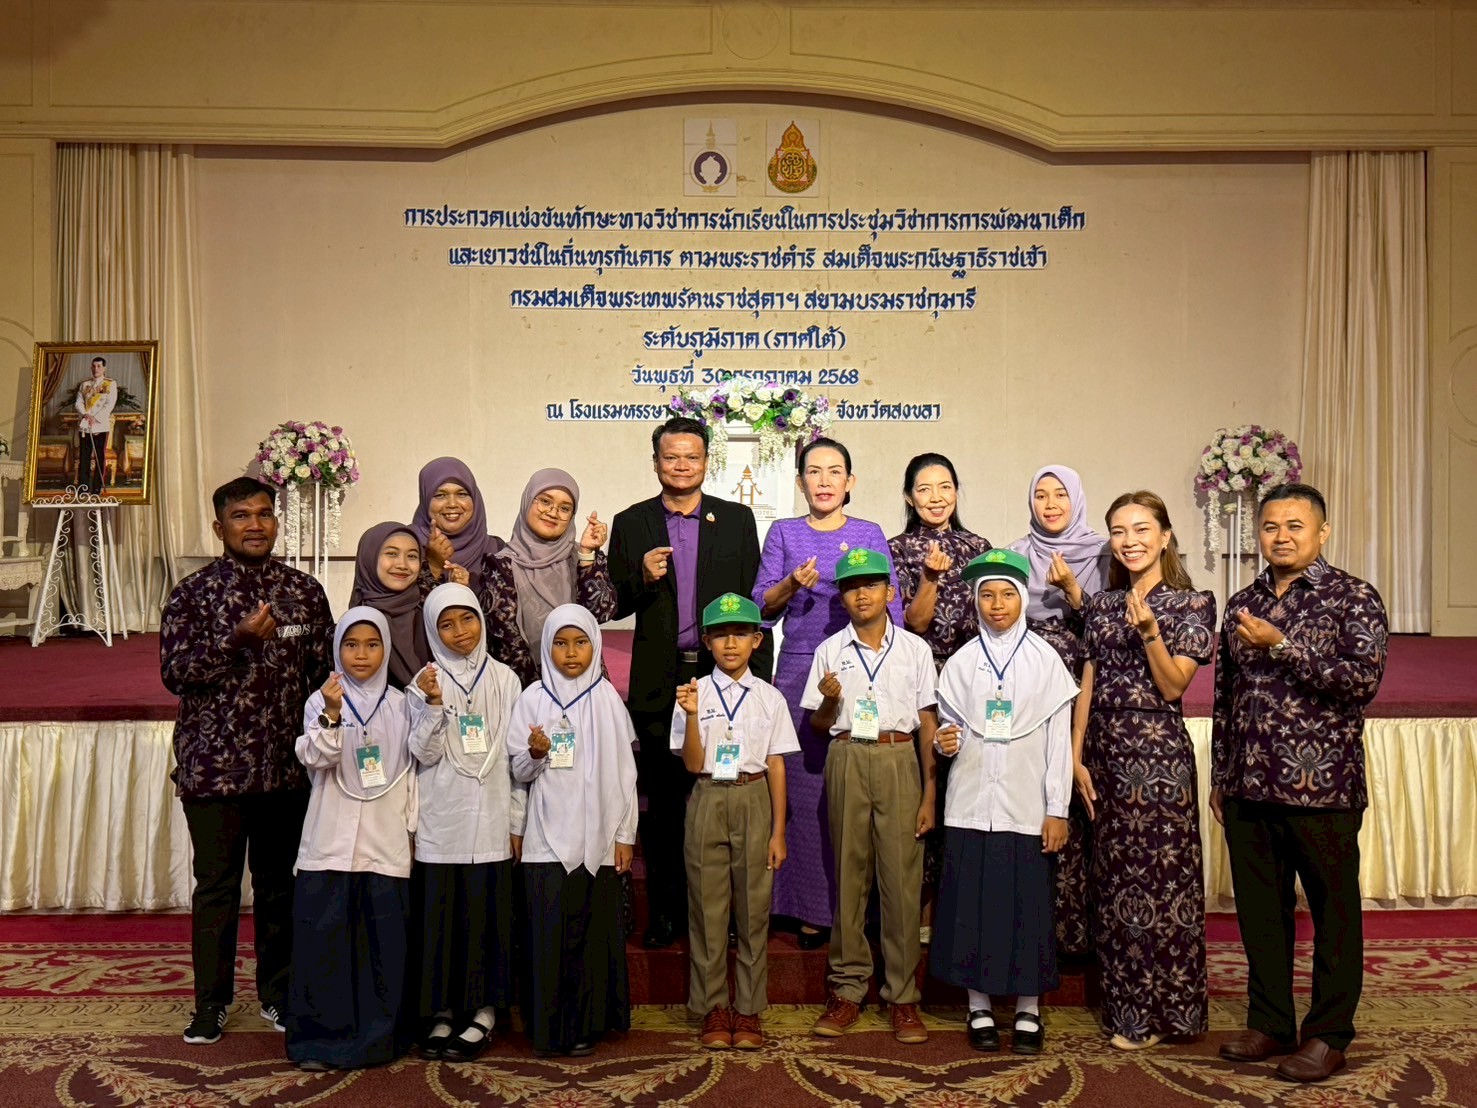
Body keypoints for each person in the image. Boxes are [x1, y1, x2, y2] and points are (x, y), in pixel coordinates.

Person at [1211, 483, 1388, 1084]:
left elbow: (1361, 682)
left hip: (1324, 790)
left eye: (1294, 526)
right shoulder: (1242, 603)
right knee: (1262, 914)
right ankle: (1271, 1023)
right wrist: (1222, 773)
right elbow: (1226, 697)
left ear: (1322, 532)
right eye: (1270, 526)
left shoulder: (1353, 597)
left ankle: (1329, 1035)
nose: (1281, 536)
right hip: (1248, 787)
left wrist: (1282, 645)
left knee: (1335, 916)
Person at [160, 476, 334, 1045]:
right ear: (220, 527)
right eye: (241, 516)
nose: (254, 525)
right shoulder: (193, 593)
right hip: (214, 771)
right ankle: (210, 1005)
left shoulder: (304, 592)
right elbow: (176, 674)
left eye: (263, 514)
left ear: (275, 522)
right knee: (216, 890)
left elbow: (321, 677)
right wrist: (235, 642)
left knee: (280, 889)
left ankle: (278, 995)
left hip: (285, 771)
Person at [607, 417, 767, 949]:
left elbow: (752, 603)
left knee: (721, 798)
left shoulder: (737, 519)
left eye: (691, 457)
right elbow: (614, 603)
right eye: (671, 457)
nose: (681, 466)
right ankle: (667, 914)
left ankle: (723, 916)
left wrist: (755, 678)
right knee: (665, 806)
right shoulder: (631, 522)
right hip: (659, 679)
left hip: (720, 673)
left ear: (706, 462)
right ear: (655, 462)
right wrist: (641, 576)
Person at [1073, 491, 1216, 1050]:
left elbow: (1174, 686)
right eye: (1118, 531)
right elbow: (1088, 682)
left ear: (1164, 536)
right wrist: (1076, 755)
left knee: (1163, 882)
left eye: (1140, 529)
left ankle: (1171, 1013)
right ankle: (1127, 1011)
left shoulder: (1192, 603)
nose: (1129, 541)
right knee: (1116, 885)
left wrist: (1152, 632)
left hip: (1158, 760)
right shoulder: (1103, 605)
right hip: (1105, 754)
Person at [755, 436, 904, 949]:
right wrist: (792, 584)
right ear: (800, 483)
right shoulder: (784, 531)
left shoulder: (869, 533)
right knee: (802, 790)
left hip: (861, 666)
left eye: (834, 471)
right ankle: (806, 908)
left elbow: (893, 608)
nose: (824, 481)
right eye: (814, 472)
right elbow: (761, 606)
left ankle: (854, 907)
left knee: (854, 789)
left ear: (850, 481)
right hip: (799, 668)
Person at [930, 550, 1079, 1055]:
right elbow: (947, 731)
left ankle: (1028, 1010)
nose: (997, 604)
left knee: (1026, 911)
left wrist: (1057, 809)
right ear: (975, 600)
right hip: (970, 804)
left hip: (1025, 808)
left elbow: (1059, 742)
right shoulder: (961, 663)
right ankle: (977, 1006)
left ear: (1023, 599)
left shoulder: (1046, 660)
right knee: (970, 909)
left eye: (1008, 594)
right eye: (988, 595)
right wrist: (942, 743)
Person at [801, 547, 937, 1044]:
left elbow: (927, 722)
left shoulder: (915, 650)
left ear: (890, 592)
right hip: (848, 757)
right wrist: (830, 700)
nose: (862, 594)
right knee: (849, 876)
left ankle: (902, 996)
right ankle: (847, 989)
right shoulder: (830, 650)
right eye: (852, 587)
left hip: (899, 757)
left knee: (901, 881)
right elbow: (819, 724)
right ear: (842, 597)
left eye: (872, 584)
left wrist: (930, 792)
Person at [285, 609, 421, 1071]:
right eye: (351, 645)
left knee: (381, 947)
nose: (361, 655)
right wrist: (332, 714)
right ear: (337, 648)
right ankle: (318, 1042)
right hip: (330, 843)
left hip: (384, 844)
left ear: (386, 649)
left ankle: (378, 1041)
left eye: (372, 644)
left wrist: (412, 830)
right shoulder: (321, 700)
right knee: (324, 946)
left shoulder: (403, 704)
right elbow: (317, 759)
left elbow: (418, 766)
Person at [508, 605, 639, 1057]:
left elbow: (625, 774)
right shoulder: (532, 698)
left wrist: (625, 835)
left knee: (590, 935)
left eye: (580, 643)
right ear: (547, 646)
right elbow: (518, 773)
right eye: (560, 643)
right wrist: (535, 753)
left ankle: (587, 1023)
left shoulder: (606, 699)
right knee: (548, 935)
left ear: (594, 645)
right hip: (545, 840)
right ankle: (548, 1027)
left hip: (597, 838)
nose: (570, 653)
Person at [672, 593, 798, 1050]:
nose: (730, 644)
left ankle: (747, 1008)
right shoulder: (693, 694)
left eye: (740, 634)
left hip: (754, 797)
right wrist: (691, 717)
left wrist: (778, 832)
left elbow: (777, 764)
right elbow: (692, 764)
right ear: (706, 642)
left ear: (757, 641)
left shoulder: (769, 697)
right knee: (708, 911)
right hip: (708, 797)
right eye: (721, 635)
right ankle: (713, 1006)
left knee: (753, 910)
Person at [406, 584, 526, 1061]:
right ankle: (441, 1012)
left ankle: (484, 1012)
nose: (460, 631)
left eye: (468, 618)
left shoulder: (506, 680)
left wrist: (516, 823)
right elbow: (422, 753)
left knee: (485, 919)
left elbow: (516, 760)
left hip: (492, 819)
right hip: (442, 822)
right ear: (432, 630)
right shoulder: (423, 682)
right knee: (441, 922)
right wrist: (433, 704)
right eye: (447, 624)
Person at [886, 452, 992, 942]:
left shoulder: (979, 548)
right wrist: (929, 578)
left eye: (945, 486)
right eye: (924, 489)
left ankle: (965, 910)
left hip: (973, 680)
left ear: (956, 491)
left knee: (968, 787)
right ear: (909, 497)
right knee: (924, 787)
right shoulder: (896, 549)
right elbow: (914, 623)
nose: (936, 497)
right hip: (922, 678)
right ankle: (921, 913)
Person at [1007, 464, 1111, 958]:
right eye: (1041, 495)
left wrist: (1072, 591)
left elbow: (1110, 626)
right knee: (1032, 792)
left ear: (1076, 499)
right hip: (1027, 684)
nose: (1050, 505)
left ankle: (1076, 935)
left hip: (1084, 684)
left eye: (1060, 495)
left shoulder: (1104, 553)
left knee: (1075, 794)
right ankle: (1029, 925)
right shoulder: (1016, 553)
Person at [409, 457, 536, 683]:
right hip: (421, 676)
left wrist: (469, 595)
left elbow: (506, 625)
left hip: (486, 681)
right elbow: (404, 618)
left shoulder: (494, 550)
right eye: (440, 495)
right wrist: (433, 567)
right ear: (425, 498)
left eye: (462, 493)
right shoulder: (406, 547)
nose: (452, 504)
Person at [500, 468, 618, 675]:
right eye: (545, 501)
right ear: (527, 501)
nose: (553, 513)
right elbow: (505, 639)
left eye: (565, 508)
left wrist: (587, 555)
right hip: (528, 681)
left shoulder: (581, 556)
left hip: (585, 679)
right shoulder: (501, 564)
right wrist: (543, 688)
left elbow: (601, 613)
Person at [348, 522, 430, 690]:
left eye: (412, 556)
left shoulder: (431, 614)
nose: (402, 565)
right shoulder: (355, 623)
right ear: (370, 558)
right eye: (392, 554)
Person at [74, 356, 117, 490]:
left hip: (100, 425)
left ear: (104, 368)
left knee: (99, 457)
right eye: (93, 366)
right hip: (85, 425)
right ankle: (83, 487)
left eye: (98, 366)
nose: (95, 369)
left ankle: (96, 487)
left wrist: (95, 417)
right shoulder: (84, 384)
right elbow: (79, 402)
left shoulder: (110, 384)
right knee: (84, 457)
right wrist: (85, 414)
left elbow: (109, 404)